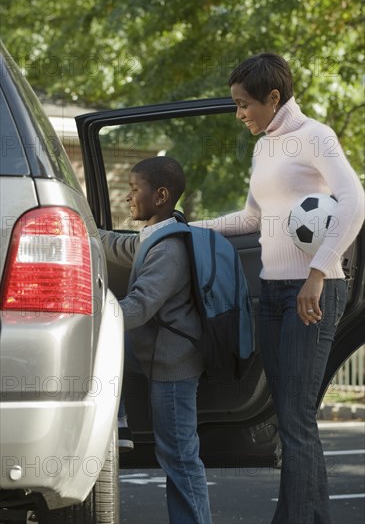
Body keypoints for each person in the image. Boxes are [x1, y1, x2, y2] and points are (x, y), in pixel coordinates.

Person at [194, 53, 364, 523]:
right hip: (271, 294)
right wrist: (189, 228)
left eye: (244, 104)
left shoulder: (316, 137)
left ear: (273, 98)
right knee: (289, 421)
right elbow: (252, 219)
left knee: (296, 420)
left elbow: (354, 201)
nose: (239, 114)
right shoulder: (264, 147)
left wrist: (317, 272)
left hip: (313, 292)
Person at [99, 156, 212, 524]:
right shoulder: (155, 235)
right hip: (154, 352)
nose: (127, 197)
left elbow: (140, 306)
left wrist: (92, 317)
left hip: (172, 364)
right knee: (108, 353)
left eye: (135, 190)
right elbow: (120, 246)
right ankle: (118, 421)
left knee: (178, 456)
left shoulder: (169, 249)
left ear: (160, 195)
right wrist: (82, 232)